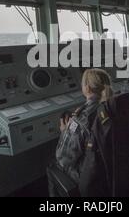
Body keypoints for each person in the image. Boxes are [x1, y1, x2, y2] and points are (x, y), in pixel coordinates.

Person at [47, 69, 113, 197]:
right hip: (111, 169)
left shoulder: (80, 119)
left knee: (52, 165)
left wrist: (64, 132)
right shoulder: (114, 107)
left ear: (87, 88)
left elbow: (63, 158)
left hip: (90, 177)